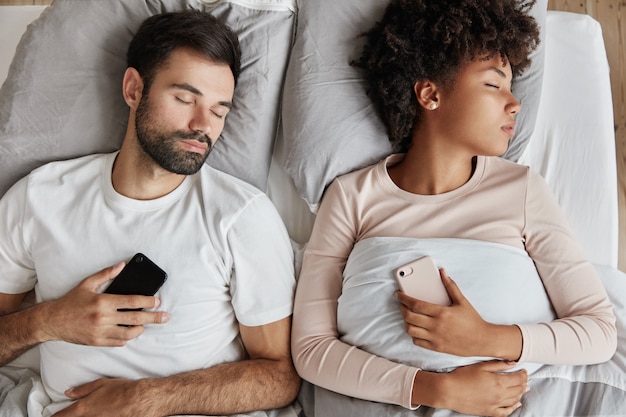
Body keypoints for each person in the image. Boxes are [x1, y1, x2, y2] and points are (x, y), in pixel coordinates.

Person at [291, 1, 617, 416]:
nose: (515, 103)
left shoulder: (521, 190)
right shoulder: (352, 196)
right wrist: (435, 390)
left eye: (513, 87)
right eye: (493, 85)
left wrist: (486, 339)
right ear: (430, 94)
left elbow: (598, 331)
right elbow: (311, 348)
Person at [0, 10, 300, 417]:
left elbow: (279, 376)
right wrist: (48, 321)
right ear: (133, 89)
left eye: (218, 111)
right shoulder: (41, 196)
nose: (202, 126)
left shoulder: (243, 217)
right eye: (184, 98)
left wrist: (140, 399)